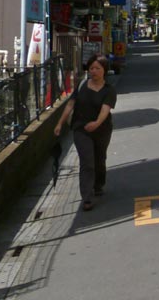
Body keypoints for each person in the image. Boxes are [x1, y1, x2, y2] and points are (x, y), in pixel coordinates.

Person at [54, 54, 117, 211]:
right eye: (91, 68)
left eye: (97, 68)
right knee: (87, 161)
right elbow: (70, 105)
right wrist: (60, 123)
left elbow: (105, 109)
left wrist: (96, 123)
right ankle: (87, 197)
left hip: (102, 130)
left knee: (99, 159)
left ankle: (98, 185)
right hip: (80, 128)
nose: (94, 71)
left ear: (104, 70)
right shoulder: (82, 85)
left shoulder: (109, 90)